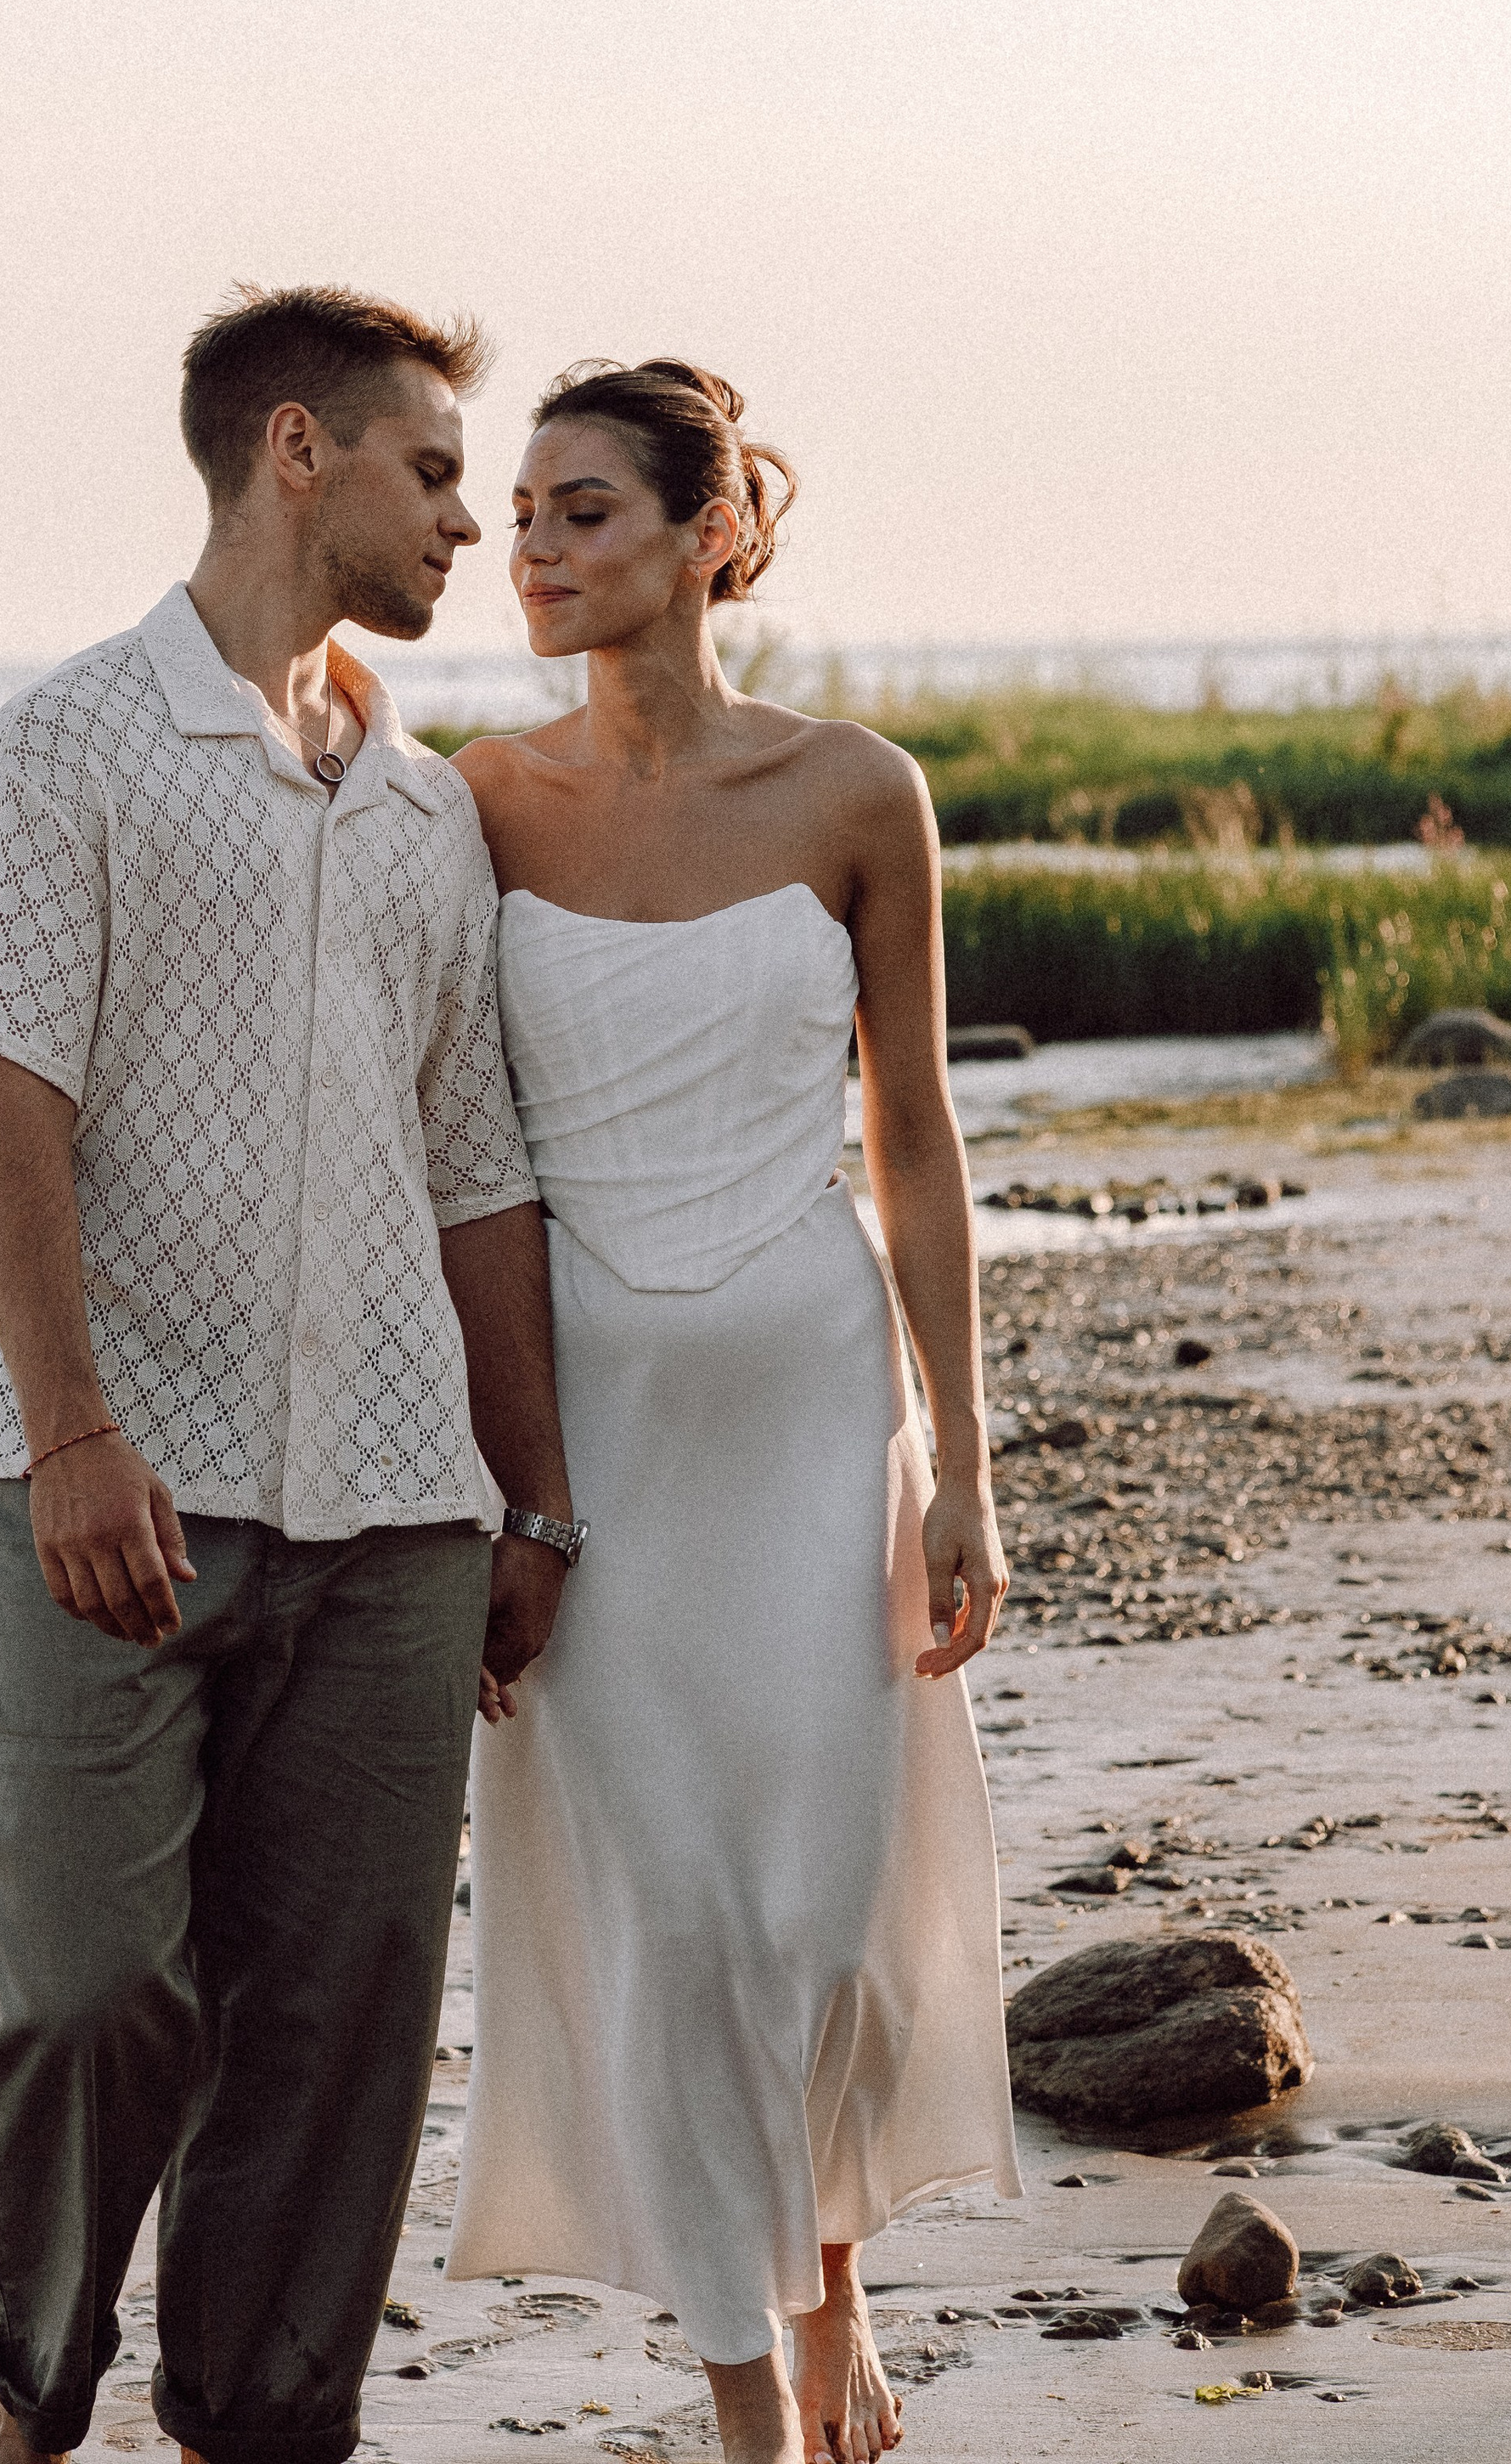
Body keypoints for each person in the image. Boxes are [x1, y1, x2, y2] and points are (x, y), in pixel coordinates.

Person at [0, 285, 579, 2464]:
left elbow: (475, 1180)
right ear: (297, 451)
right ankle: (32, 2391)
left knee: (345, 2023)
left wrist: (528, 1503)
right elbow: (2, 1108)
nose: (476, 525)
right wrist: (73, 1431)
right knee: (83, 1990)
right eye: (434, 472)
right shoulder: (71, 742)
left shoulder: (428, 815)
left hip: (392, 1519)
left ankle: (263, 2427)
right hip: (97, 1501)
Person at [445, 358, 1022, 2464]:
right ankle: (741, 2399)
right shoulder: (477, 804)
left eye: (578, 510)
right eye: (514, 513)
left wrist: (963, 1463)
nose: (529, 549)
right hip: (590, 1430)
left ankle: (831, 2279)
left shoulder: (855, 793)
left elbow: (922, 1145)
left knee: (814, 1903)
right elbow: (459, 1168)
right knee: (669, 1909)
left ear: (706, 534)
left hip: (804, 1395)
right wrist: (498, 1488)